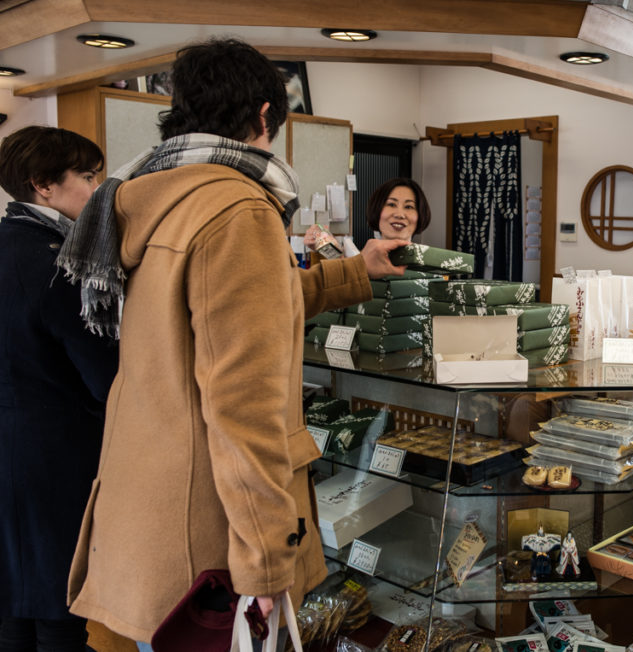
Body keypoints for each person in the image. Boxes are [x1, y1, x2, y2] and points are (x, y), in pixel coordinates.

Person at [56, 38, 408, 647]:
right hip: (208, 539)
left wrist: (355, 272)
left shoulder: (154, 196)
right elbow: (243, 402)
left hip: (148, 514)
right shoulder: (240, 207)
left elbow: (228, 314)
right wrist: (268, 560)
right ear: (266, 115)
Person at [0, 127, 119, 651]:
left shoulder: (7, 243)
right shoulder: (60, 262)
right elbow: (104, 377)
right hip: (55, 457)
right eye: (89, 176)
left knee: (13, 602)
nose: (99, 189)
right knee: (57, 608)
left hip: (11, 449)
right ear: (43, 184)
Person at [302, 176, 432, 257]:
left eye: (409, 207)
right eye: (391, 204)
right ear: (377, 210)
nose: (399, 214)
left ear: (420, 215)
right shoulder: (359, 260)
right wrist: (323, 246)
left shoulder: (432, 266)